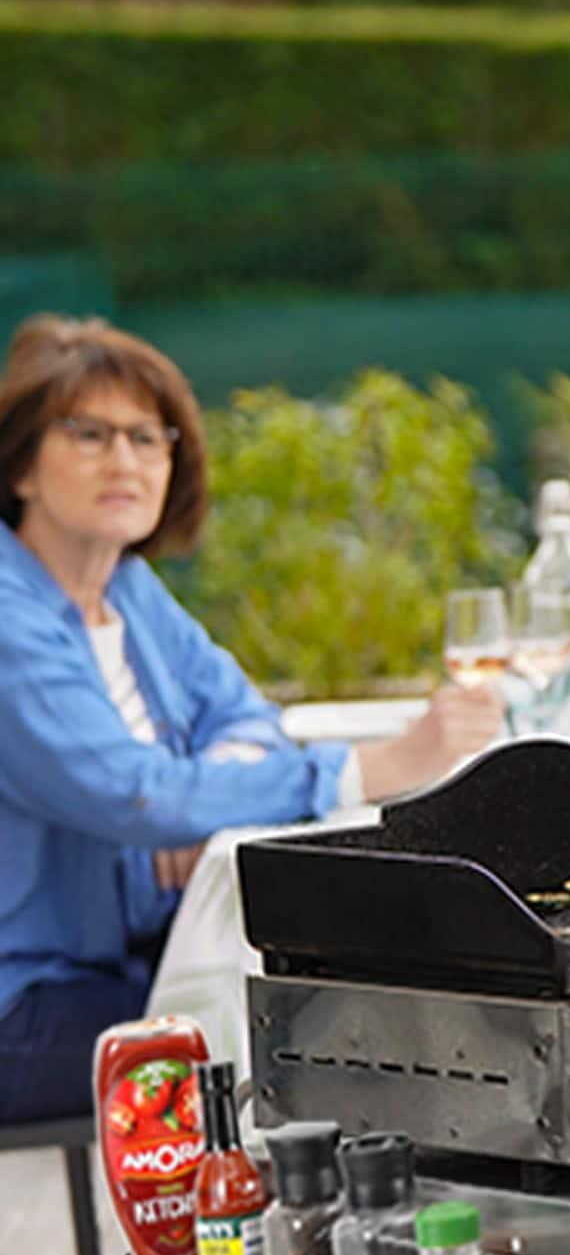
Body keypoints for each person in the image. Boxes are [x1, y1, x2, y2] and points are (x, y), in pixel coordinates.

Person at [0, 316, 504, 1122]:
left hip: (121, 964)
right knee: (300, 1041)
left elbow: (248, 721)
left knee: (347, 1000)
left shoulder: (124, 591)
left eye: (146, 437)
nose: (125, 460)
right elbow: (133, 795)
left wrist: (200, 796)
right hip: (23, 1002)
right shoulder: (8, 613)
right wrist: (365, 768)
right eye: (88, 434)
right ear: (22, 461)